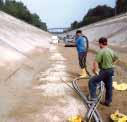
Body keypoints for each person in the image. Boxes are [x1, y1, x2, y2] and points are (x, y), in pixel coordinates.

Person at [88, 37, 118, 106]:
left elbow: (95, 62)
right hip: (111, 70)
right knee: (109, 87)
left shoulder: (101, 51)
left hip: (104, 71)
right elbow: (116, 58)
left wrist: (95, 70)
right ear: (106, 43)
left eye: (99, 44)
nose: (99, 45)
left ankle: (93, 98)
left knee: (92, 81)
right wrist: (112, 64)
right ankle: (108, 102)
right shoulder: (111, 50)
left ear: (100, 43)